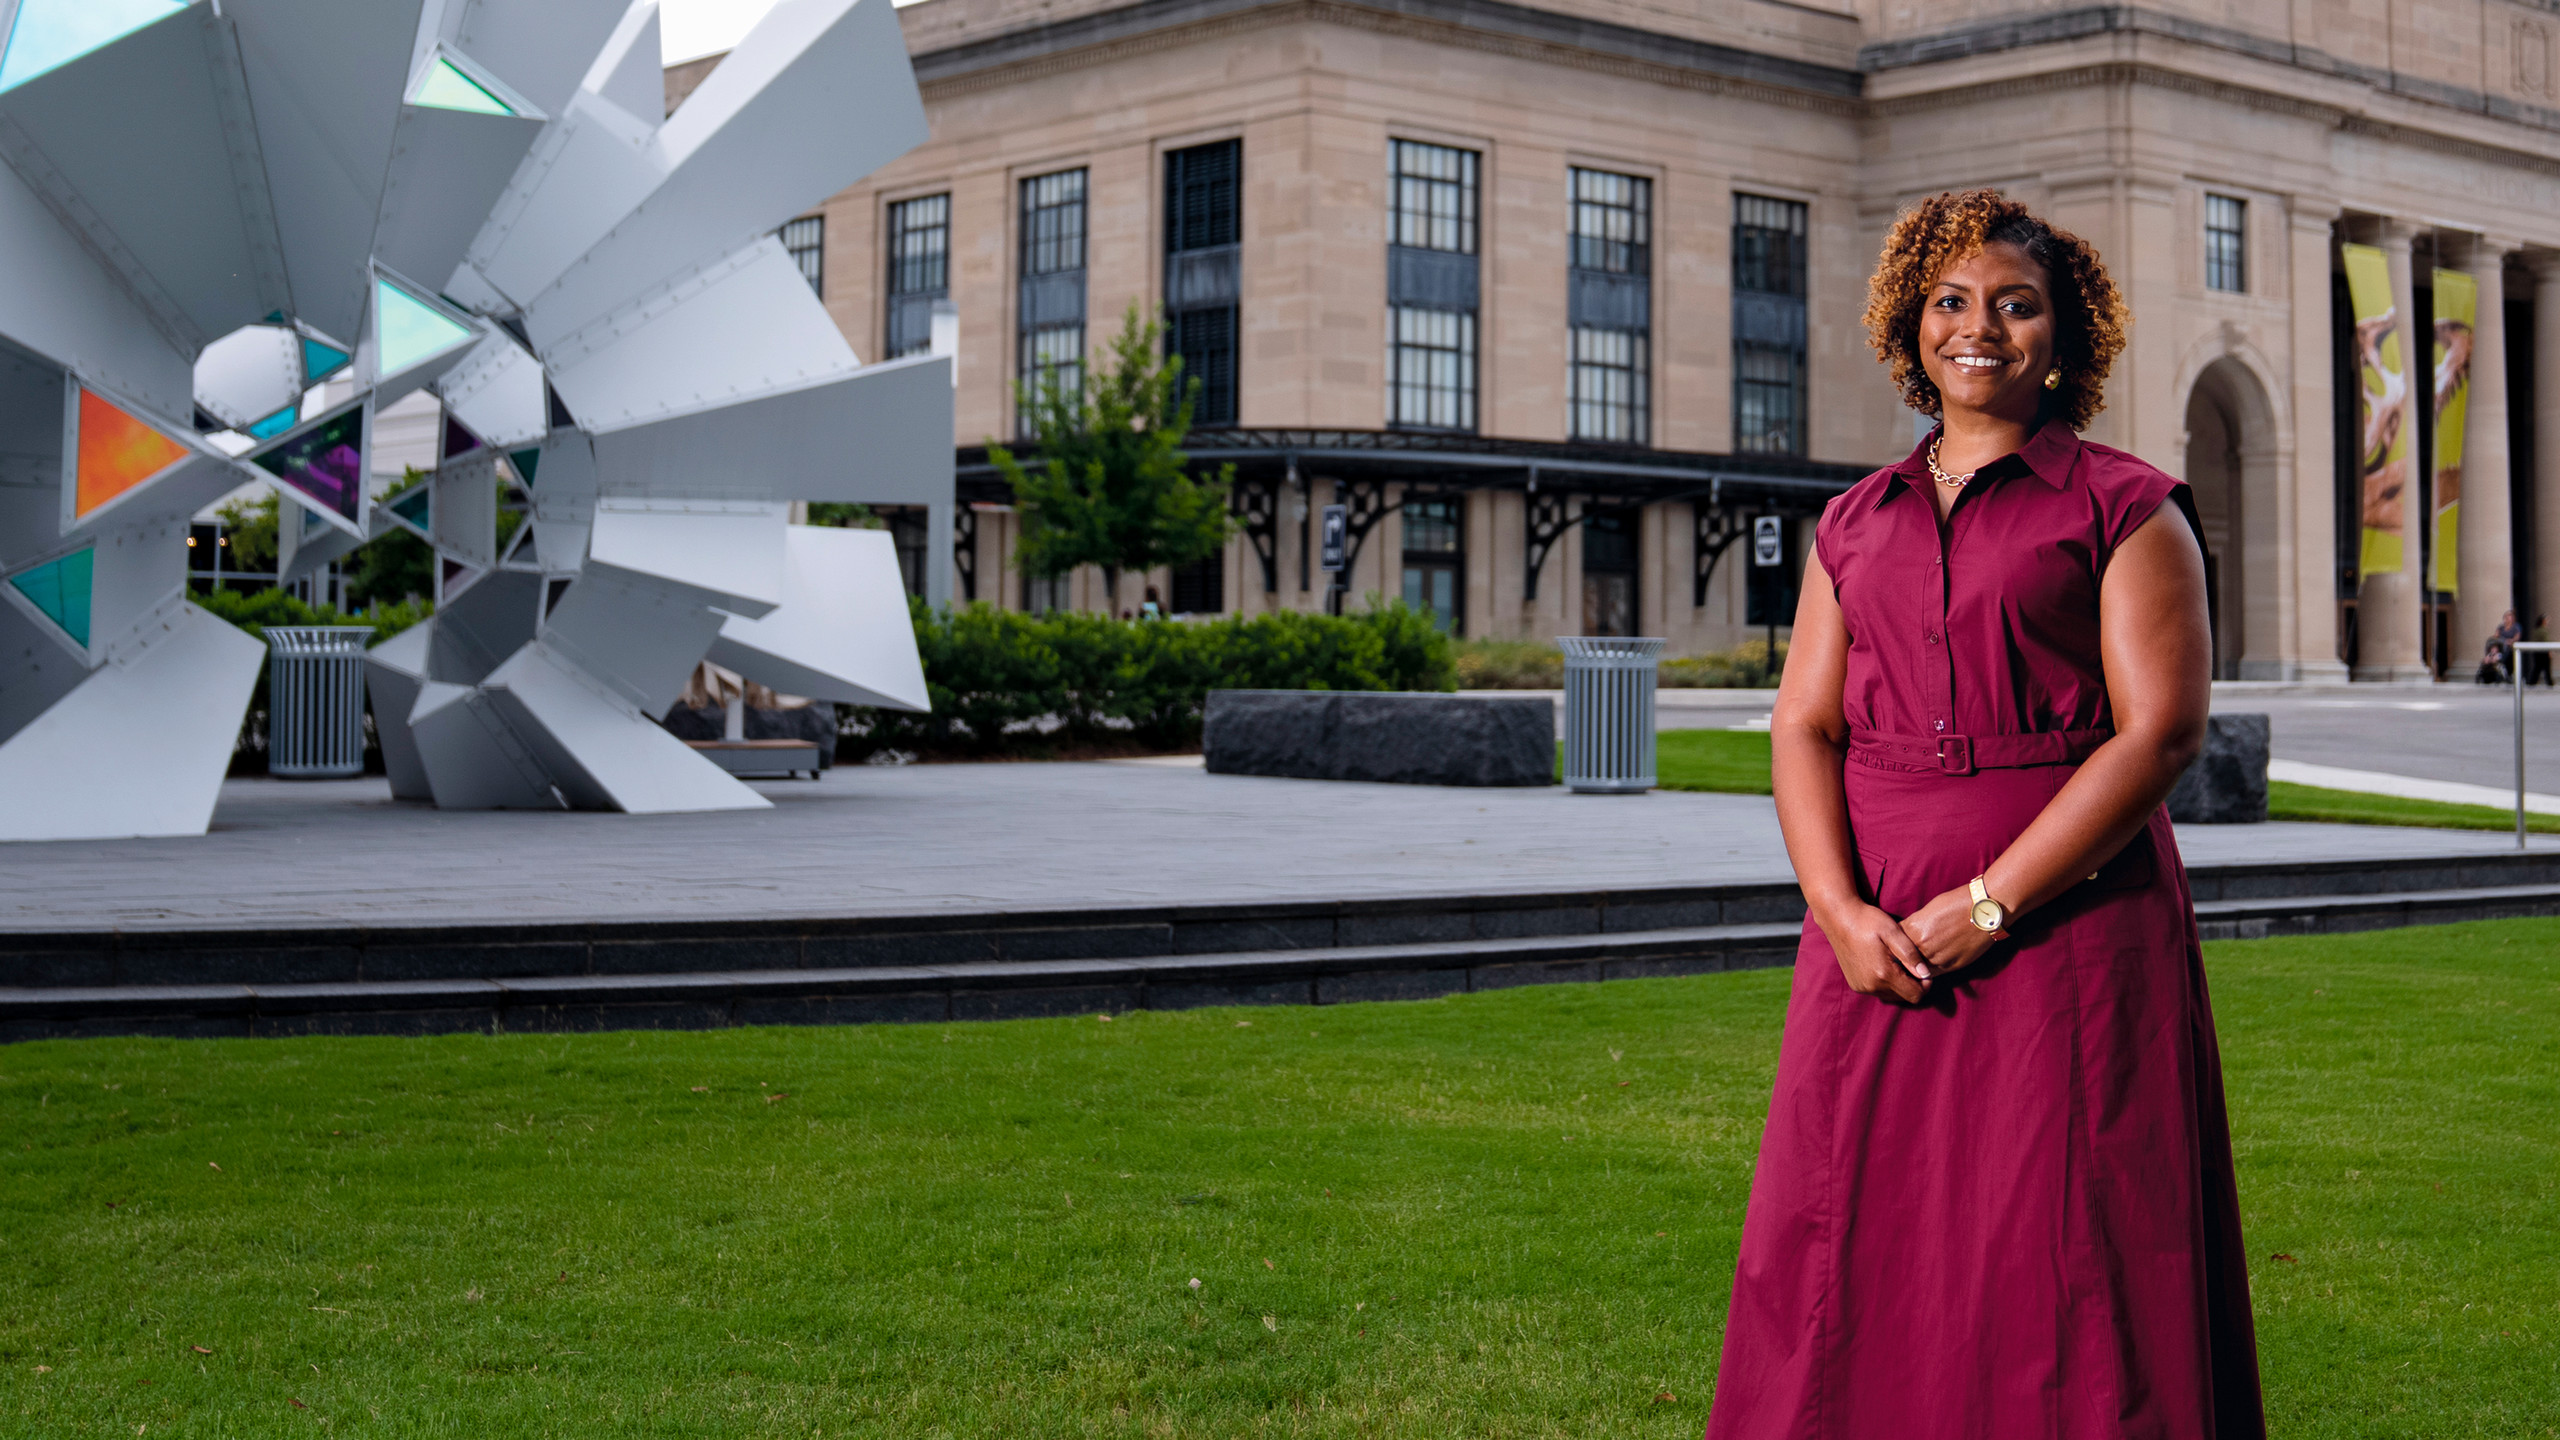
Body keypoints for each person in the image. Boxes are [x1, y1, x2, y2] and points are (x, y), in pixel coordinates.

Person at [1706, 191, 2264, 1440]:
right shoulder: (1852, 520)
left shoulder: (2127, 506)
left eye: (2017, 305)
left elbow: (2159, 731)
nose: (1981, 329)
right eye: (1950, 303)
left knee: (2069, 1243)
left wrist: (1992, 898)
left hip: (2072, 923)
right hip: (1873, 928)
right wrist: (1838, 909)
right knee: (1851, 1238)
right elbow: (1803, 724)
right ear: (1912, 328)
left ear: (2062, 337)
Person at [2532, 614, 2553, 687]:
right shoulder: (2543, 630)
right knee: (2546, 669)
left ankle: (2532, 682)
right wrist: (2549, 652)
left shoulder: (2536, 630)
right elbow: (2546, 642)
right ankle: (2549, 683)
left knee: (2537, 668)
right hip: (2543, 652)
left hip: (2537, 652)